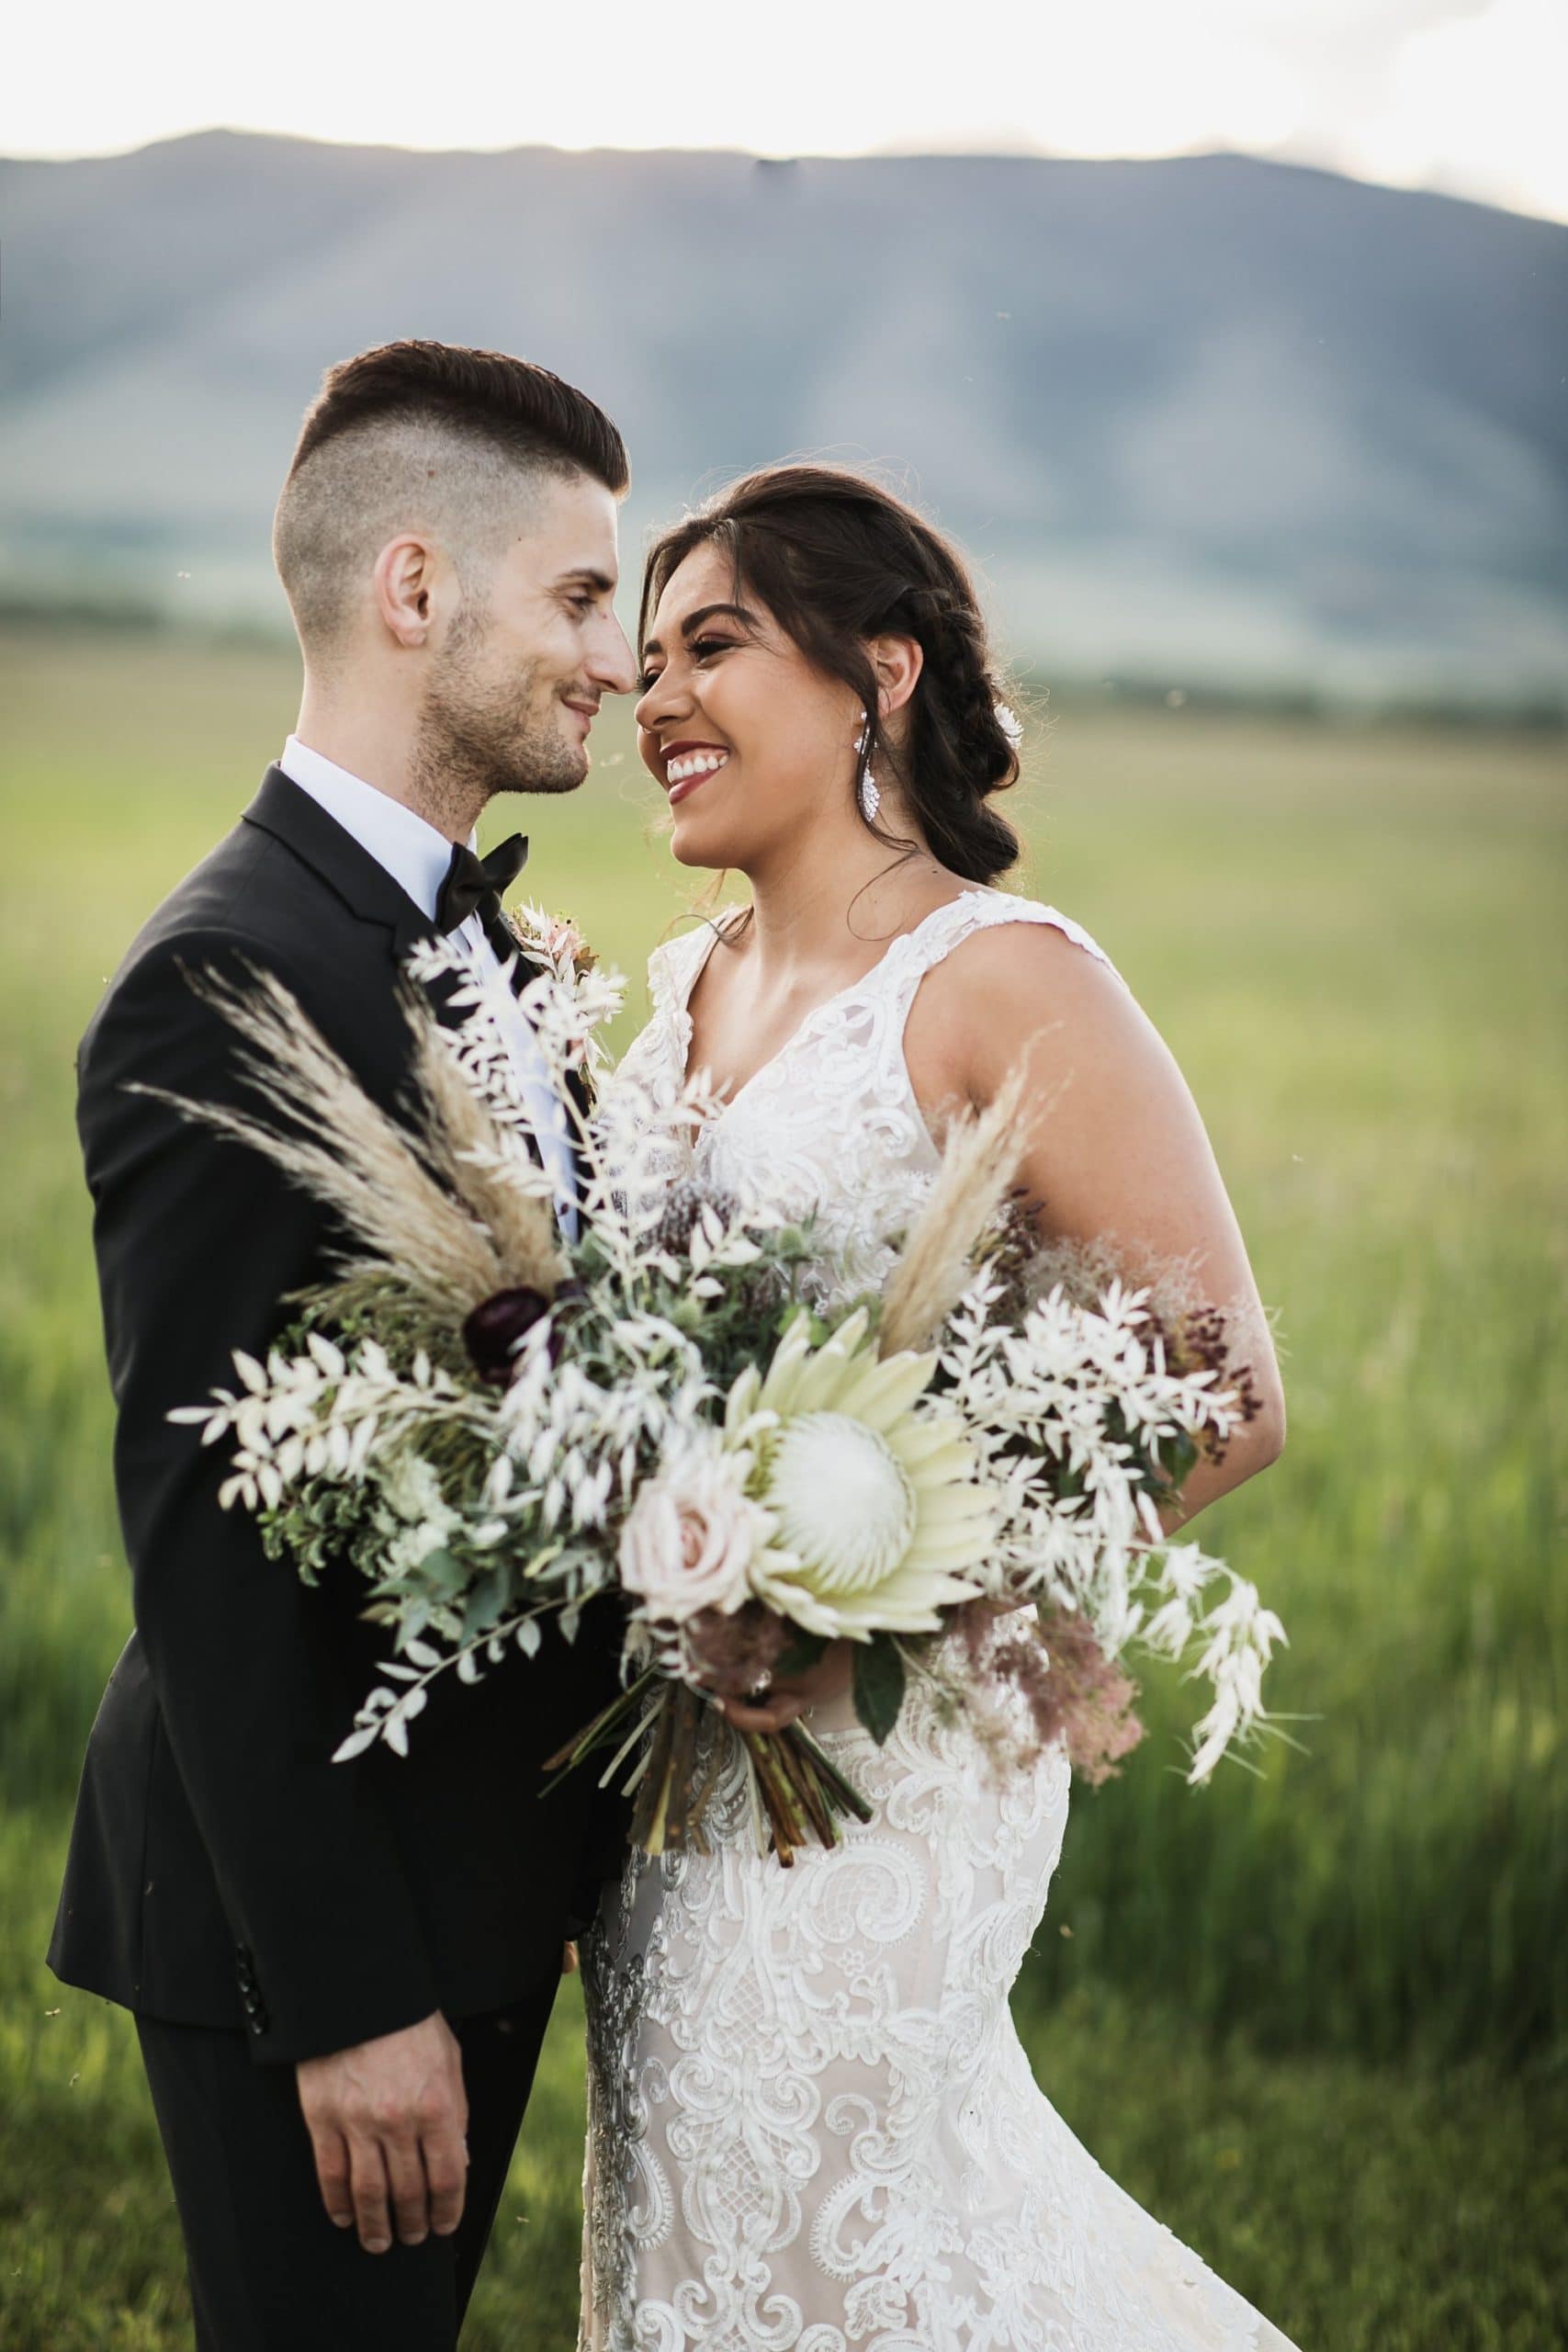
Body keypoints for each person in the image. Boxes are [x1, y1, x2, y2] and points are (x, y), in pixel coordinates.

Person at [580, 462, 1300, 2349]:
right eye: (641, 656)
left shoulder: (995, 980)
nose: (651, 699)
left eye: (710, 645)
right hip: (675, 1779)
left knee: (835, 2225)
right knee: (693, 2224)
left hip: (892, 1767)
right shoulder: (679, 997)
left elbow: (1219, 1396)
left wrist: (863, 1603)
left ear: (875, 674)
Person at [49, 339, 637, 2351]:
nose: (614, 660)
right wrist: (348, 1993)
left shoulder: (486, 947)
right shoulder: (230, 971)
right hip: (312, 1912)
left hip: (473, 1862)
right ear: (415, 591)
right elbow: (202, 1536)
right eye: (576, 596)